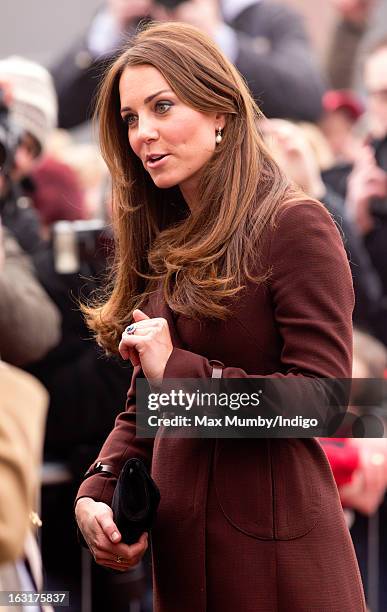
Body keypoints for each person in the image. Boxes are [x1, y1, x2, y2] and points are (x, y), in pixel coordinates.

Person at [75, 21, 366, 611]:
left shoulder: (294, 224)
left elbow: (328, 401)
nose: (144, 133)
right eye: (131, 118)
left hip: (278, 573)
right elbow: (147, 404)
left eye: (162, 107)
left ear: (221, 113)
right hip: (185, 567)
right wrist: (99, 489)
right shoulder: (170, 238)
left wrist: (179, 372)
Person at [52, 0, 325, 128]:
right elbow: (58, 111)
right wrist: (109, 31)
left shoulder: (264, 19)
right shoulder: (135, 25)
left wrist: (216, 37)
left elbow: (307, 100)